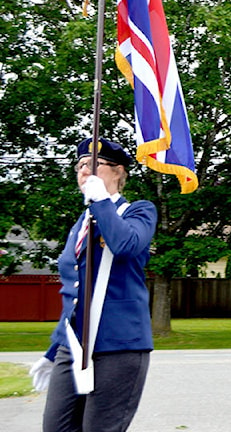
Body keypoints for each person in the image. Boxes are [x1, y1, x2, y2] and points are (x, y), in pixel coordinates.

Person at [28, 138, 157, 432]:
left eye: (94, 164)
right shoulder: (81, 222)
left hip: (118, 345)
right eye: (80, 165)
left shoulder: (139, 212)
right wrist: (53, 351)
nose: (85, 170)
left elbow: (125, 245)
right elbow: (73, 294)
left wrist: (101, 201)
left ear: (118, 172)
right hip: (72, 347)